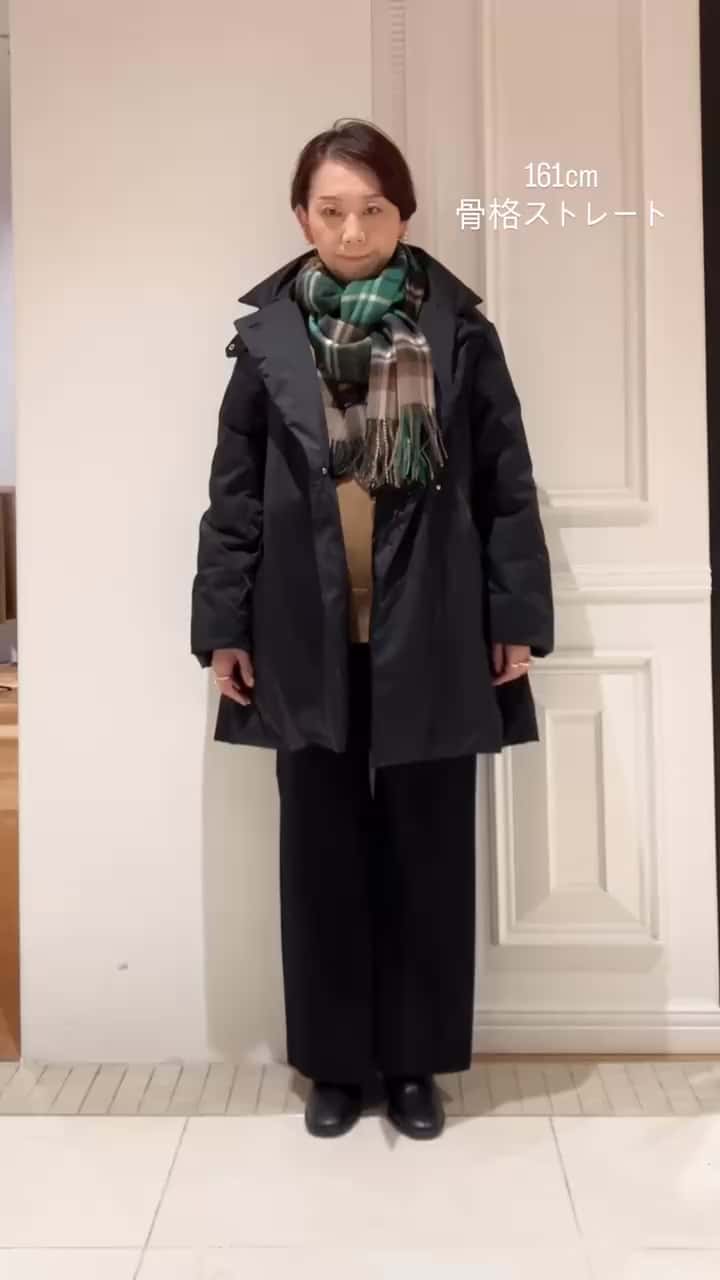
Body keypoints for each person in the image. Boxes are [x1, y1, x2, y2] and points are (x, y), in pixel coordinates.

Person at [191, 118, 554, 1141]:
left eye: (373, 209)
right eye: (332, 210)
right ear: (301, 217)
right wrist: (223, 625)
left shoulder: (460, 332)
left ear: (404, 214)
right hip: (300, 633)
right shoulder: (266, 340)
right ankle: (336, 1065)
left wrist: (514, 617)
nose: (353, 231)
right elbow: (233, 497)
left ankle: (415, 1065)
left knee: (428, 851)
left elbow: (507, 482)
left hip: (431, 625)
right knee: (320, 853)